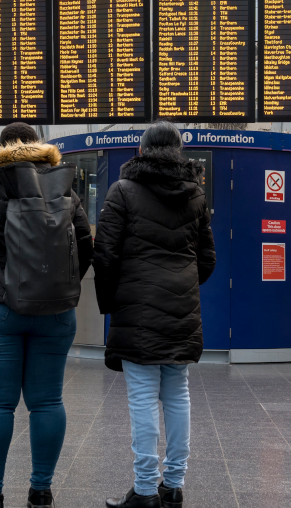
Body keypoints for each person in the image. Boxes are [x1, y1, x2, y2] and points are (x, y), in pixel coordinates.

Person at [0, 122, 94, 508]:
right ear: (38, 147)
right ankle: (41, 491)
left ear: (0, 149)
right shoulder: (65, 190)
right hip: (56, 311)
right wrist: (61, 287)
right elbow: (84, 246)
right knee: (47, 402)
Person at [96, 123, 216, 508]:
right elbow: (207, 258)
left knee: (143, 397)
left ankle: (145, 490)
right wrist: (180, 282)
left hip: (137, 306)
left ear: (142, 150)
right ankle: (174, 486)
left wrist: (113, 300)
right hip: (182, 307)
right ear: (179, 151)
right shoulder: (195, 194)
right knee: (177, 394)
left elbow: (106, 255)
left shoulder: (123, 190)